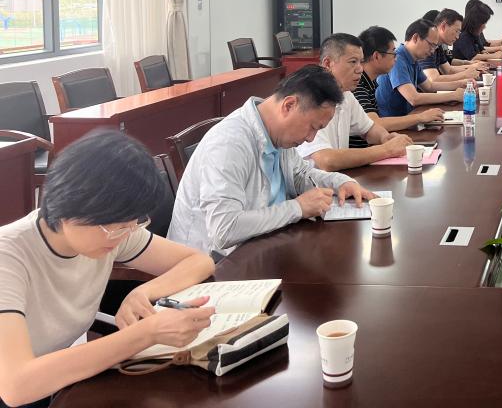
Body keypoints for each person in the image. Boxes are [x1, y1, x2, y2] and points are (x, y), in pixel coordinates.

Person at [0, 132, 216, 408]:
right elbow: (16, 386)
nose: (124, 235)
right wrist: (146, 334)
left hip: (52, 381)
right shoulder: (8, 257)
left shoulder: (112, 232)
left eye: (131, 224)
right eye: (115, 227)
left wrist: (143, 292)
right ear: (67, 208)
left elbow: (198, 261)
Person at [168, 65, 376, 256]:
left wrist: (340, 182)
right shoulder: (229, 143)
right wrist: (297, 208)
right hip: (214, 264)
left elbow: (300, 174)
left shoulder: (277, 134)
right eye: (313, 127)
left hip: (264, 246)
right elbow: (224, 229)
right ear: (289, 105)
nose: (311, 138)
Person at [296, 33, 412, 170]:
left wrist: (386, 138)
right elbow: (327, 160)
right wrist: (387, 149)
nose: (360, 69)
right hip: (313, 182)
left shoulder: (346, 94)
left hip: (339, 178)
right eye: (352, 62)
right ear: (328, 64)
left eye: (361, 62)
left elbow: (369, 129)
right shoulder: (310, 97)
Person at [351, 27, 445, 146]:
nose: (396, 58)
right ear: (377, 56)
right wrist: (420, 117)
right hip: (364, 151)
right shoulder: (357, 85)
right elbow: (374, 123)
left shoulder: (370, 82)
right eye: (393, 53)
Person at [375, 19, 465, 117]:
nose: (432, 51)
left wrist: (461, 84)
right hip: (395, 122)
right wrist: (453, 95)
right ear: (416, 38)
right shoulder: (398, 59)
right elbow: (414, 98)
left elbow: (429, 86)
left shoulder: (413, 59)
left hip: (409, 117)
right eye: (431, 45)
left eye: (435, 47)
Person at [417, 9, 487, 86]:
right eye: (456, 31)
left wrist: (473, 68)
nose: (457, 37)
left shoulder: (438, 46)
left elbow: (448, 70)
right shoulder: (427, 46)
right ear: (443, 26)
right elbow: (433, 79)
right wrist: (465, 75)